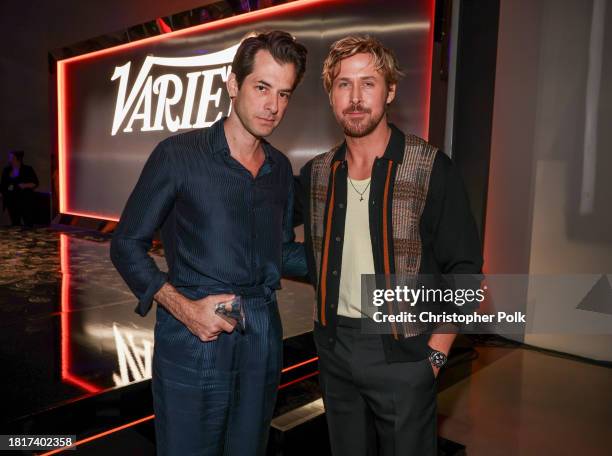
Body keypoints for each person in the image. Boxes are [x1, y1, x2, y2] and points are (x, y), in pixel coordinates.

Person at [110, 31, 307, 456]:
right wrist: (184, 309)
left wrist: (348, 260)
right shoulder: (178, 155)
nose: (273, 106)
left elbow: (280, 252)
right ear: (233, 85)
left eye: (284, 94)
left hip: (262, 339)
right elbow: (126, 243)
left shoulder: (278, 169)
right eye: (262, 88)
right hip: (194, 338)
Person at [296, 35, 483, 455]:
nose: (356, 97)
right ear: (330, 95)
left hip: (406, 354)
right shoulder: (317, 174)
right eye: (344, 84)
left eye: (369, 83)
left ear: (390, 91)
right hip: (335, 350)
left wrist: (435, 356)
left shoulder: (431, 168)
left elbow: (466, 272)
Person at [0, 150, 39, 226]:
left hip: (25, 200)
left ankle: (28, 237)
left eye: (11, 157)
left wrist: (24, 185)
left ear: (17, 158)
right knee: (15, 222)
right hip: (11, 201)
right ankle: (17, 237)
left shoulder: (27, 169)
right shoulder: (6, 170)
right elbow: (3, 184)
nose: (9, 159)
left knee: (28, 222)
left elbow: (35, 183)